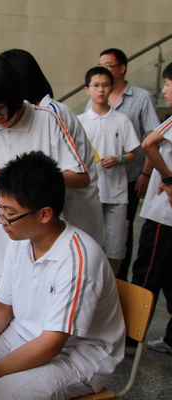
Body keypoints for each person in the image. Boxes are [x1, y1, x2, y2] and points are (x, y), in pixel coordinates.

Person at [0, 151, 124, 400]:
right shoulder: (21, 240)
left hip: (75, 356)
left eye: (10, 214)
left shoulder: (77, 259)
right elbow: (2, 308)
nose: (1, 221)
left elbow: (52, 343)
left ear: (44, 214)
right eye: (0, 209)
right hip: (23, 336)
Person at [0, 56, 89, 319]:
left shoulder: (47, 119)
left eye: (1, 109)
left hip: (39, 239)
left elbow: (81, 177)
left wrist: (35, 176)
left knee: (35, 320)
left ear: (16, 95)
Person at [0, 48, 103, 245]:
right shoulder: (31, 115)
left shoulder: (52, 113)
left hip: (74, 211)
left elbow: (77, 176)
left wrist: (29, 175)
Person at [92, 48, 161, 281]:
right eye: (100, 66)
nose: (101, 88)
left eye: (108, 66)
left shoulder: (140, 99)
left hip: (128, 179)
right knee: (97, 234)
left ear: (122, 68)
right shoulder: (90, 109)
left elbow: (148, 141)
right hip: (97, 184)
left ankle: (117, 281)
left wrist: (144, 173)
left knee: (121, 235)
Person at [128, 62, 172, 355]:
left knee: (146, 273)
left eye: (168, 84)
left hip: (164, 215)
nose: (165, 89)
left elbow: (148, 144)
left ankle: (131, 339)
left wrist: (167, 178)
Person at [78, 67, 140, 273]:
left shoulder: (122, 120)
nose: (101, 90)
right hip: (89, 195)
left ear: (112, 88)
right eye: (96, 85)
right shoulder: (80, 121)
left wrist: (118, 159)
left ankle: (112, 284)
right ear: (87, 89)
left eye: (105, 85)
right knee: (88, 245)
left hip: (116, 194)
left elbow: (133, 153)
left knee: (116, 247)